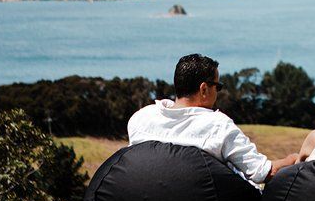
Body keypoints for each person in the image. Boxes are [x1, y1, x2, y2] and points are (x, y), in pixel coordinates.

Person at [128, 53, 298, 184]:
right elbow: (263, 173)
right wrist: (293, 159)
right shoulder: (218, 125)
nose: (218, 92)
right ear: (204, 89)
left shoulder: (141, 118)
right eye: (218, 86)